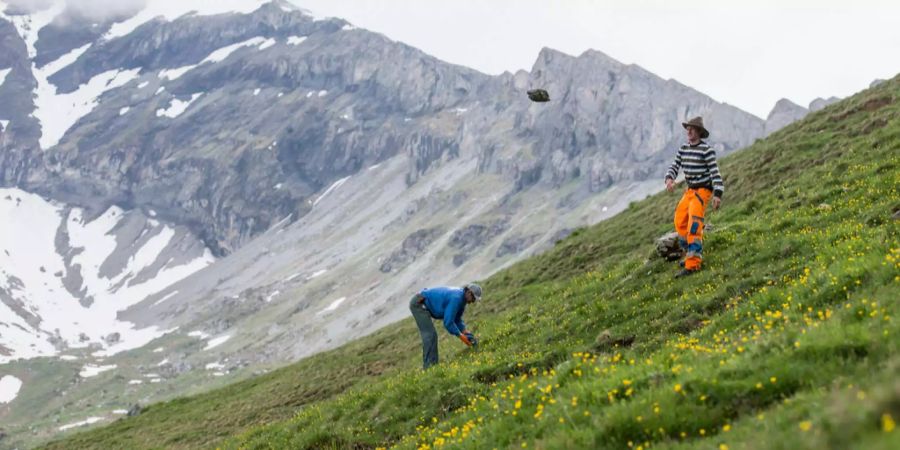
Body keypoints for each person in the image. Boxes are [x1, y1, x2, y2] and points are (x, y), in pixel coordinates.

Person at [664, 116, 724, 278]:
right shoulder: (684, 148)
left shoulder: (707, 150)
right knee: (679, 221)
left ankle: (693, 265)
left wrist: (717, 194)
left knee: (694, 226)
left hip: (703, 191)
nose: (688, 131)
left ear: (699, 132)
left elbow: (715, 173)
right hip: (690, 191)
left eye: (692, 128)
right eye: (687, 128)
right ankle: (690, 252)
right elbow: (675, 165)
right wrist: (669, 178)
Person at [409, 283, 482, 369]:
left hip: (424, 301)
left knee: (432, 335)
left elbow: (457, 319)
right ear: (469, 293)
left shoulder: (462, 300)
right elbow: (448, 322)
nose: (473, 301)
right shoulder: (456, 298)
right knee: (430, 335)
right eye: (473, 298)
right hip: (419, 303)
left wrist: (464, 331)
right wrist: (461, 336)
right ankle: (429, 367)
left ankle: (433, 367)